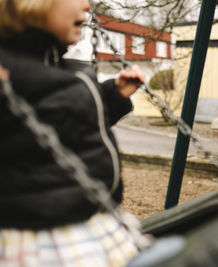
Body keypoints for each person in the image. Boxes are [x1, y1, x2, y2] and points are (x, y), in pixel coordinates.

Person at [0, 0, 147, 265]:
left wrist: (112, 96)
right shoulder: (10, 68)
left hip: (91, 219)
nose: (87, 5)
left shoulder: (62, 66)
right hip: (39, 236)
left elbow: (66, 120)